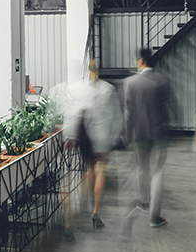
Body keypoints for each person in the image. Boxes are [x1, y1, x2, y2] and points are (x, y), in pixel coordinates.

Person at [64, 60, 121, 228]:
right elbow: (115, 116)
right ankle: (96, 210)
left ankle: (84, 200)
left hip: (86, 137)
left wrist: (70, 136)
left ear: (87, 71)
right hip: (102, 137)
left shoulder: (78, 89)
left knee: (89, 168)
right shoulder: (108, 89)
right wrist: (114, 138)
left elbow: (73, 113)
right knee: (100, 170)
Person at [122, 48, 171, 228]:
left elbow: (128, 113)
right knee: (157, 173)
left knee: (142, 170)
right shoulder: (162, 80)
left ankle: (144, 202)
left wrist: (127, 135)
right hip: (158, 134)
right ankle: (155, 217)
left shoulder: (130, 82)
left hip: (139, 134)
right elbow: (167, 108)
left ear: (141, 61)